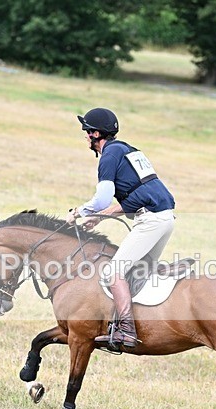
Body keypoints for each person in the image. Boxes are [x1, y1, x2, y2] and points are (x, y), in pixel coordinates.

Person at [65, 108, 176, 348]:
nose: (85, 136)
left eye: (86, 131)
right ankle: (128, 322)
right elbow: (137, 197)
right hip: (165, 218)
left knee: (112, 274)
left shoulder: (108, 156)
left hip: (151, 221)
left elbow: (103, 199)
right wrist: (100, 218)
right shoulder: (128, 150)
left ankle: (126, 330)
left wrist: (80, 212)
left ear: (96, 133)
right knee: (138, 273)